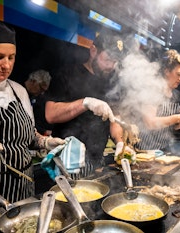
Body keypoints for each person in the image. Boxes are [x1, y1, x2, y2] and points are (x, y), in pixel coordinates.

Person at [0, 17, 64, 222]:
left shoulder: (19, 91)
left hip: (24, 193)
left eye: (11, 57)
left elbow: (28, 135)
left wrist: (45, 141)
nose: (6, 66)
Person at [45, 32, 128, 177]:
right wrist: (85, 103)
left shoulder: (112, 82)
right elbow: (50, 114)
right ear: (93, 51)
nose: (111, 66)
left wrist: (119, 142)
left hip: (97, 161)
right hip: (67, 163)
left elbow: (115, 117)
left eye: (115, 61)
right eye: (107, 59)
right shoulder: (67, 74)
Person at [123, 49, 180, 151]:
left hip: (164, 150)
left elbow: (174, 127)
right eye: (179, 74)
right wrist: (178, 117)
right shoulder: (152, 91)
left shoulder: (176, 95)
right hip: (144, 151)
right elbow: (150, 123)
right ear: (167, 71)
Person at [25, 69, 53, 136]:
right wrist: (43, 131)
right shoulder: (16, 91)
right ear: (33, 81)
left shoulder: (38, 98)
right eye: (41, 88)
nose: (42, 92)